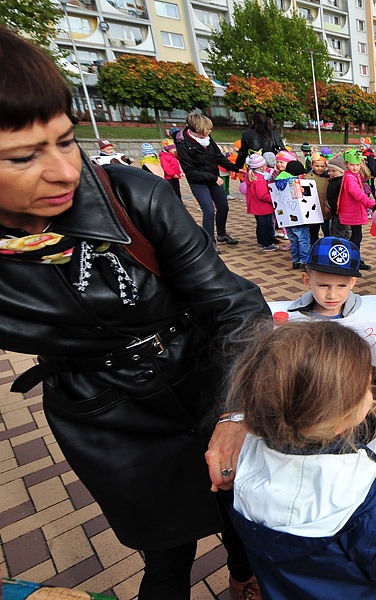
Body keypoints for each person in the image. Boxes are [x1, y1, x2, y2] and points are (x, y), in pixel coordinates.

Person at [0, 27, 268, 600]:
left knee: (240, 514)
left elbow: (237, 305)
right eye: (23, 156)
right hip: (108, 416)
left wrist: (236, 411)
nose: (64, 172)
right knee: (165, 555)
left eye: (67, 141)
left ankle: (244, 575)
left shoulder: (132, 197)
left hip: (206, 381)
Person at [227, 319, 376, 600]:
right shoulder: (369, 500)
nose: (372, 391)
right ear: (339, 418)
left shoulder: (245, 460)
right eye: (364, 385)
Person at [174, 113, 241, 246]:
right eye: (207, 130)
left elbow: (218, 156)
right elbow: (190, 171)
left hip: (213, 178)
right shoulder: (183, 144)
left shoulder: (207, 138)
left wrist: (236, 168)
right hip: (199, 182)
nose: (210, 132)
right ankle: (210, 242)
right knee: (209, 210)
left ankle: (221, 234)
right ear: (198, 129)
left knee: (223, 206)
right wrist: (213, 177)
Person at [288, 237, 362, 318]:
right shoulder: (291, 317)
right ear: (307, 281)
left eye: (342, 286)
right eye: (323, 285)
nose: (332, 295)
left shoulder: (369, 312)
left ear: (352, 282)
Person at [336, 148, 375, 270]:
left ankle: (355, 259)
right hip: (352, 212)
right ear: (346, 164)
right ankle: (352, 260)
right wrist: (371, 203)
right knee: (355, 238)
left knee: (357, 237)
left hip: (355, 211)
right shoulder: (349, 178)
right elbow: (357, 193)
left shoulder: (353, 176)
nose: (355, 167)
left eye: (357, 165)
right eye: (352, 165)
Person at [244, 153, 278, 251]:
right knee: (266, 225)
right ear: (260, 168)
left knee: (261, 225)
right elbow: (262, 195)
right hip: (263, 207)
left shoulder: (252, 177)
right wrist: (273, 199)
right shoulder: (260, 180)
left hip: (256, 206)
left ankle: (261, 242)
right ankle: (267, 244)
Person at [304, 153, 331, 242]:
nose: (319, 168)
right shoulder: (308, 178)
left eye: (322, 166)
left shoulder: (329, 178)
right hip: (313, 210)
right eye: (317, 166)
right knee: (313, 231)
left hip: (325, 209)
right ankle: (313, 246)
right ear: (312, 165)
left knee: (327, 231)